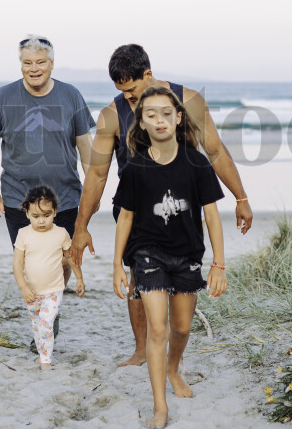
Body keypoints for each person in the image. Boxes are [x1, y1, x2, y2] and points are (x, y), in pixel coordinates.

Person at [70, 44, 251, 366]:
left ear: (149, 76)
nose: (130, 99)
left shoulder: (189, 101)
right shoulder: (111, 115)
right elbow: (98, 173)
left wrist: (241, 198)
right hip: (135, 207)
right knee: (138, 277)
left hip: (182, 205)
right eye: (123, 93)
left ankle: (172, 346)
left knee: (182, 275)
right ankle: (142, 350)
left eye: (134, 91)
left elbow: (216, 151)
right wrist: (81, 227)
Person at [112, 86, 227, 428]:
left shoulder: (197, 163)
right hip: (147, 255)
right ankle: (159, 406)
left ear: (178, 118)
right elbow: (126, 217)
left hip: (187, 255)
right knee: (157, 329)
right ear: (142, 123)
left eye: (166, 113)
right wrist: (116, 264)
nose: (159, 120)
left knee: (181, 328)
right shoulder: (135, 168)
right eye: (151, 114)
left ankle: (173, 368)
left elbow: (212, 216)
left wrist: (219, 264)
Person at [0, 35, 94, 350]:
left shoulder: (71, 96)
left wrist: (94, 191)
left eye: (40, 62)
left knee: (66, 260)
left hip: (67, 197)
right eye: (27, 63)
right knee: (32, 265)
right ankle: (46, 317)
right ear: (21, 65)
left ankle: (49, 311)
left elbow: (86, 148)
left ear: (51, 64)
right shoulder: (4, 97)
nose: (34, 68)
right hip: (18, 197)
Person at [14, 185, 84, 370]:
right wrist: (23, 287)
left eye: (46, 215)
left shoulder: (60, 233)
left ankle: (46, 360)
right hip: (32, 292)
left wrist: (79, 278)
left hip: (53, 291)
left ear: (55, 212)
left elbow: (70, 257)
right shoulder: (24, 234)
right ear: (27, 213)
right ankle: (42, 354)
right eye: (36, 216)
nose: (41, 221)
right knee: (37, 326)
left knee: (46, 323)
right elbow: (17, 264)